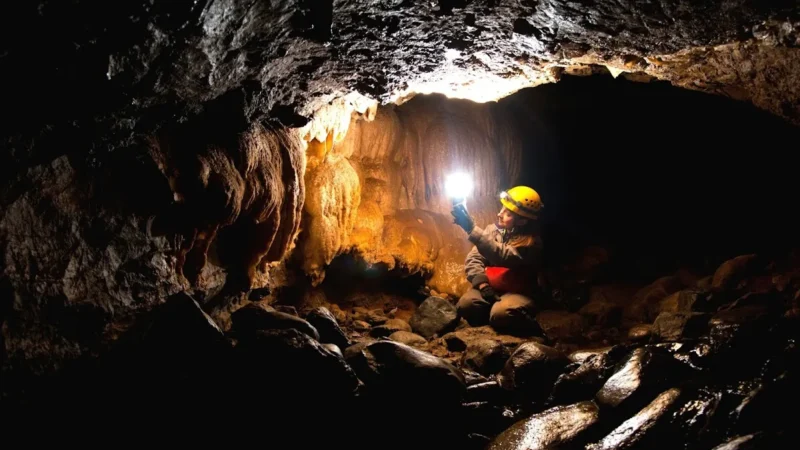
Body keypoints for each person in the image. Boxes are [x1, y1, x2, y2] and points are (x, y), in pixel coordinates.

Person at [451, 185, 544, 335]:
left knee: (501, 313)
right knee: (465, 305)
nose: (499, 214)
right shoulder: (492, 230)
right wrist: (482, 285)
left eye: (508, 214)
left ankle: (531, 328)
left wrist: (473, 230)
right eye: (502, 208)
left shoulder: (532, 243)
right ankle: (488, 324)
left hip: (519, 291)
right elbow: (474, 258)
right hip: (492, 287)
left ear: (522, 221)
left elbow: (505, 255)